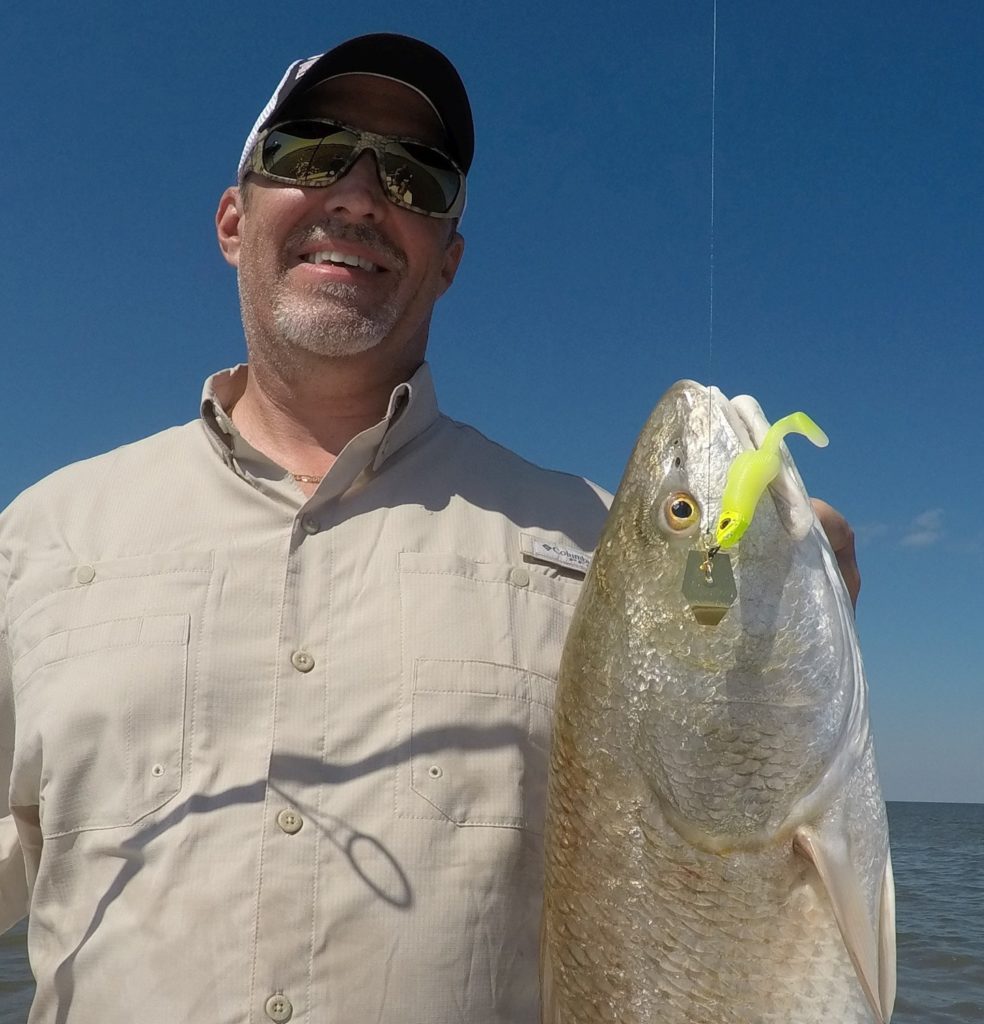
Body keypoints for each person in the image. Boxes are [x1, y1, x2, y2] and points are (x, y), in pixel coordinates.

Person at [0, 33, 859, 1024]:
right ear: (234, 221)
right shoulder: (36, 540)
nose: (362, 196)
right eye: (312, 154)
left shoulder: (603, 546)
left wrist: (787, 617)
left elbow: (728, 864)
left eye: (414, 177)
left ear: (447, 260)